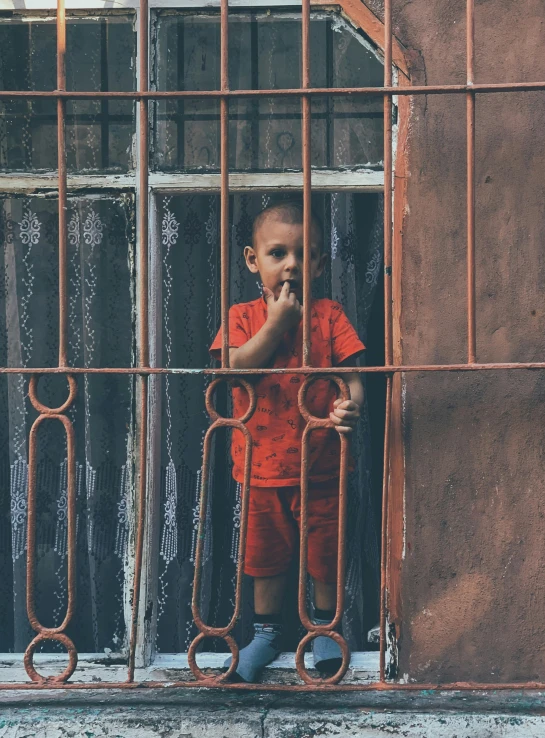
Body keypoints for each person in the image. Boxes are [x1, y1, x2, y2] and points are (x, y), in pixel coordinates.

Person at [210, 199, 365, 682]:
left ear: (319, 262)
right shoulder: (242, 316)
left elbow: (353, 375)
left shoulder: (329, 314)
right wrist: (275, 324)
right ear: (253, 260)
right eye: (278, 253)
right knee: (265, 556)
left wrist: (350, 404)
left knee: (324, 553)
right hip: (260, 467)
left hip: (320, 463)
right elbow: (231, 369)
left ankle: (324, 631)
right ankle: (266, 635)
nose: (292, 264)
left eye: (305, 254)